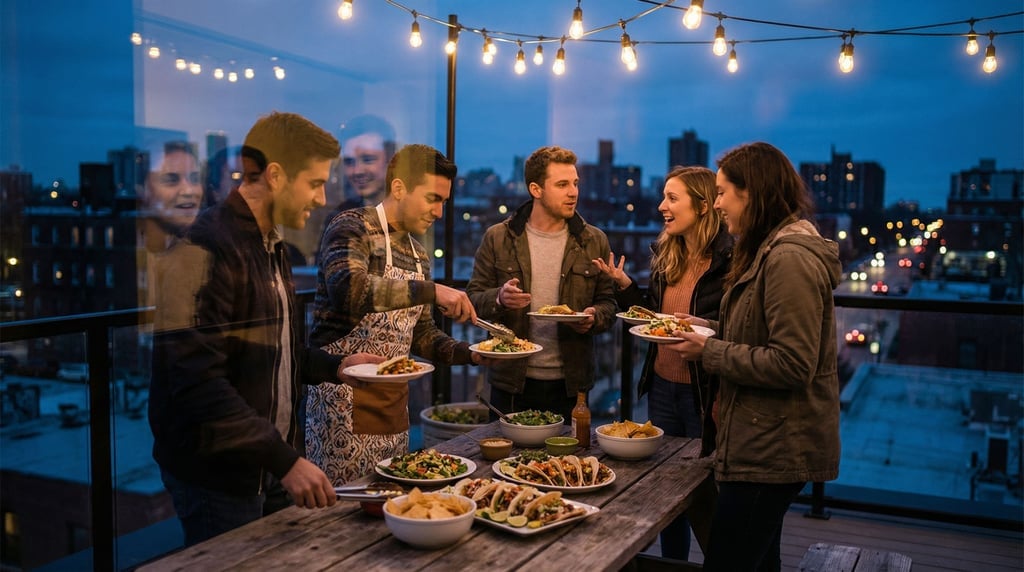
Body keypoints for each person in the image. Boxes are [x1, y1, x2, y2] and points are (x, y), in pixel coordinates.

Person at [148, 111, 383, 546]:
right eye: (314, 183)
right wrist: (285, 460)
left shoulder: (271, 245)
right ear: (275, 175)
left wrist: (339, 367)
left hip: (267, 461)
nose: (321, 196)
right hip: (219, 472)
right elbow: (198, 384)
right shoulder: (203, 247)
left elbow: (275, 352)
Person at [672, 142, 841, 571]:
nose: (718, 203)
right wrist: (704, 329)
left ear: (753, 194)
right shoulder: (765, 250)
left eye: (724, 192)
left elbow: (792, 363)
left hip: (775, 447)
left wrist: (709, 350)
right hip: (761, 439)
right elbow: (756, 334)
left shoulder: (788, 260)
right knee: (761, 561)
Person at [306, 143, 483, 486]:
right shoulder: (351, 227)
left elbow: (423, 336)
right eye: (433, 198)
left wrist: (473, 354)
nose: (439, 212)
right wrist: (434, 291)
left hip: (393, 409)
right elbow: (351, 290)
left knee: (391, 500)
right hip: (340, 403)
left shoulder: (419, 255)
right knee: (339, 518)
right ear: (399, 188)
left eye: (444, 202)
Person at [593, 165, 732, 561]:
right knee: (667, 487)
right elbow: (658, 317)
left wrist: (706, 332)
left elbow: (734, 326)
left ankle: (719, 561)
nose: (661, 206)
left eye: (673, 198)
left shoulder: (729, 260)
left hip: (705, 390)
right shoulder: (667, 252)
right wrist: (625, 289)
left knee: (706, 488)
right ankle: (674, 563)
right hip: (662, 385)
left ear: (703, 206)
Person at [466, 145, 617, 422]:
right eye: (562, 185)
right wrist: (499, 298)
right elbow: (473, 299)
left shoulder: (594, 240)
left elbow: (608, 303)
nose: (573, 192)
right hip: (512, 382)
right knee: (505, 463)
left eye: (575, 183)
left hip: (571, 386)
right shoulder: (498, 237)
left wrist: (594, 317)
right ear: (536, 190)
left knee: (566, 463)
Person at [336, 114, 396, 211]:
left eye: (368, 160)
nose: (357, 171)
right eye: (349, 162)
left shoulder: (413, 214)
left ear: (390, 160)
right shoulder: (338, 217)